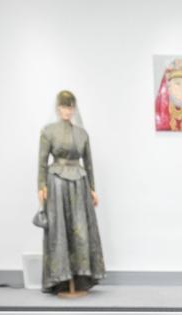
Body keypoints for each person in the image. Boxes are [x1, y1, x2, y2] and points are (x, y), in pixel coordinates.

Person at [37, 90, 104, 295]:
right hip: (57, 184)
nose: (67, 110)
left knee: (81, 229)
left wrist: (92, 188)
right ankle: (61, 279)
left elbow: (89, 163)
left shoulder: (82, 134)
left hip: (80, 185)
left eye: (70, 106)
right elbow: (42, 161)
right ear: (58, 108)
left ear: (74, 109)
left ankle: (80, 277)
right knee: (60, 230)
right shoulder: (48, 131)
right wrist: (41, 186)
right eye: (64, 106)